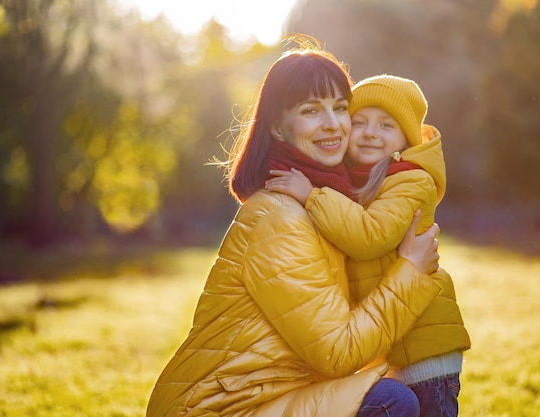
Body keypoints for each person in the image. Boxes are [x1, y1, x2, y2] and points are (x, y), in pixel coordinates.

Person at [145, 37, 444, 417]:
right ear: (278, 128)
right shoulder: (280, 219)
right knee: (392, 401)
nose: (333, 124)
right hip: (223, 408)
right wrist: (411, 273)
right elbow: (339, 352)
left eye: (340, 108)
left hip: (273, 396)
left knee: (398, 387)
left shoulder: (324, 206)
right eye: (311, 110)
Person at [265, 74, 471, 417]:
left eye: (386, 125)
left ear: (405, 138)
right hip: (395, 345)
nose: (370, 132)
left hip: (424, 352)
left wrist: (311, 196)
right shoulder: (357, 181)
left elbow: (370, 236)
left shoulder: (412, 180)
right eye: (359, 122)